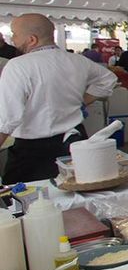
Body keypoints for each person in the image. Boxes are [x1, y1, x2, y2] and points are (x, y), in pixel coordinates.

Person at [0, 14, 116, 183]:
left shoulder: (18, 65)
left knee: (25, 197)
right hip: (75, 142)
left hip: (34, 152)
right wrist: (82, 102)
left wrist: (82, 102)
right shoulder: (77, 60)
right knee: (78, 191)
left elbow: (7, 119)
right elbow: (108, 79)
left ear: (32, 39)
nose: (12, 39)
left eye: (14, 34)